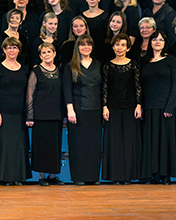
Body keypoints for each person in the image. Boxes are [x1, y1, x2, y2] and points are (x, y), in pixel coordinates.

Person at [140, 30, 176, 184]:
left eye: (160, 39)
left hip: (166, 107)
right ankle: (153, 173)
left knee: (166, 142)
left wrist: (170, 106)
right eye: (154, 39)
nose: (157, 42)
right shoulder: (145, 61)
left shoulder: (171, 60)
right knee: (152, 142)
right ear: (150, 42)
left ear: (165, 43)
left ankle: (165, 174)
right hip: (150, 107)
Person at [0, 37, 30, 185]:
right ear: (4, 50)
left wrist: (28, 114)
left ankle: (17, 177)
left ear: (19, 50)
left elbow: (28, 93)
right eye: (9, 48)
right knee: (5, 146)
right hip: (3, 113)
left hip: (19, 114)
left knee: (18, 146)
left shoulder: (24, 69)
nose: (12, 50)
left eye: (14, 47)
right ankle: (5, 177)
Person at [101, 33, 142, 184]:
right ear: (113, 47)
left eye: (123, 45)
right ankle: (116, 176)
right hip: (113, 107)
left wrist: (138, 105)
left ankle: (128, 176)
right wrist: (104, 106)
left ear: (128, 48)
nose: (120, 48)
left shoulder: (133, 64)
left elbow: (138, 86)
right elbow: (105, 87)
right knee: (115, 142)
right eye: (117, 45)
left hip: (131, 107)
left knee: (129, 141)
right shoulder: (107, 65)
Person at [63, 35, 103, 185]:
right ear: (77, 47)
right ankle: (79, 177)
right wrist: (70, 109)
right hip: (78, 110)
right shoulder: (71, 66)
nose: (86, 47)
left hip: (95, 110)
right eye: (82, 45)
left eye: (88, 45)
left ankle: (92, 177)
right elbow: (67, 89)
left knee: (93, 145)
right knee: (78, 145)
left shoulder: (98, 65)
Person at [26, 42, 65, 186]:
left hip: (56, 114)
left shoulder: (60, 71)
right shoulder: (36, 72)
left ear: (54, 54)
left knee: (54, 147)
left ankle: (52, 175)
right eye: (44, 53)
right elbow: (30, 95)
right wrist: (30, 116)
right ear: (40, 55)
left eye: (49, 52)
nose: (47, 55)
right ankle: (42, 176)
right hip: (40, 115)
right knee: (41, 146)